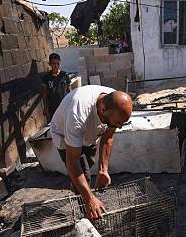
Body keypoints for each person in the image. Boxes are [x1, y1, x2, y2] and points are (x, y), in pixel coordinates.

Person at [50, 85, 133, 220]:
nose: (120, 126)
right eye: (118, 122)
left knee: (88, 164)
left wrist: (103, 169)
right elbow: (73, 160)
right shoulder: (78, 114)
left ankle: (80, 190)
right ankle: (85, 212)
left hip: (89, 133)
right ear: (103, 109)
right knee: (83, 174)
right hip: (64, 135)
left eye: (123, 123)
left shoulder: (114, 102)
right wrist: (89, 198)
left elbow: (108, 136)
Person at [41, 53, 71, 121]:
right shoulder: (46, 77)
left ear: (60, 63)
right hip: (53, 108)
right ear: (49, 64)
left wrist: (71, 104)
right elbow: (45, 94)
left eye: (58, 63)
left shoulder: (64, 75)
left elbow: (69, 91)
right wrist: (45, 109)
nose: (56, 66)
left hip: (65, 106)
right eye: (54, 63)